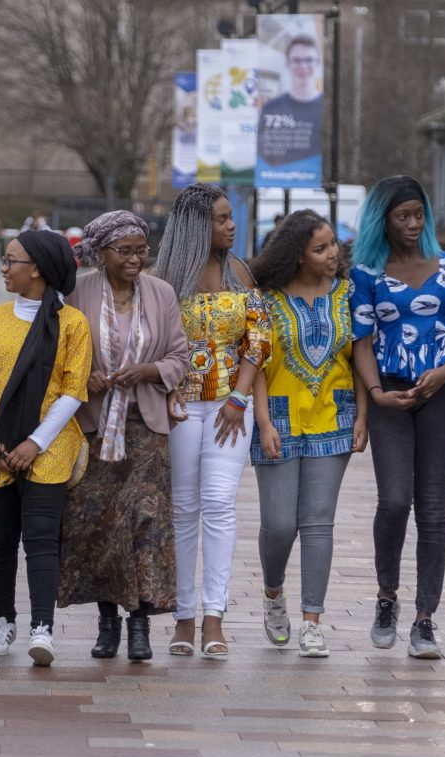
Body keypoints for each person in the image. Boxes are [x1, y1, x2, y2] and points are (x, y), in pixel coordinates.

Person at [349, 176, 445, 659]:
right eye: (402, 216)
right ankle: (387, 596)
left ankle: (426, 619)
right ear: (381, 220)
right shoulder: (365, 272)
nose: (411, 224)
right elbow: (361, 341)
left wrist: (444, 374)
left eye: (418, 214)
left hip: (438, 396)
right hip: (390, 397)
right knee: (394, 499)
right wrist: (378, 394)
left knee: (433, 507)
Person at [58, 210, 190, 662]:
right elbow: (62, 353)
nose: (136, 259)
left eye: (141, 251)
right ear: (101, 252)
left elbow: (180, 356)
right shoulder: (77, 292)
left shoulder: (161, 293)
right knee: (99, 528)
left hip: (147, 428)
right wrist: (85, 378)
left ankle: (140, 626)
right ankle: (107, 620)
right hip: (94, 430)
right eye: (126, 251)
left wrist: (150, 370)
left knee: (144, 525)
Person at [154, 183, 270, 659]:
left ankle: (214, 617)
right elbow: (151, 342)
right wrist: (164, 394)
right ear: (197, 225)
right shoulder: (163, 278)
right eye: (221, 219)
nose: (231, 225)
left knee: (219, 502)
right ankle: (183, 617)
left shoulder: (239, 272)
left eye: (230, 216)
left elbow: (259, 340)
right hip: (178, 406)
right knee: (182, 508)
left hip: (229, 406)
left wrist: (240, 398)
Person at [249, 210, 367, 658]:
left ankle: (312, 621)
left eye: (334, 244)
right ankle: (273, 592)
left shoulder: (349, 294)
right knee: (279, 526)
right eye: (320, 248)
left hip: (334, 419)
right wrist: (262, 422)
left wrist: (363, 415)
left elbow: (361, 357)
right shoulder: (266, 298)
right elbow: (255, 362)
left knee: (319, 523)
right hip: (278, 419)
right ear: (297, 256)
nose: (333, 253)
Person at [0, 231, 90, 666]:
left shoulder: (72, 323)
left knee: (41, 538)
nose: (3, 267)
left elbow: (73, 391)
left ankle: (43, 628)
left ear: (36, 268)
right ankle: (3, 619)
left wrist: (34, 442)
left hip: (49, 445)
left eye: (11, 260)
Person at [257, 35, 324, 173]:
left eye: (309, 60)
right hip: (275, 185)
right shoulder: (271, 108)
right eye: (297, 60)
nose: (303, 66)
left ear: (318, 63)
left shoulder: (326, 110)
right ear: (287, 64)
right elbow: (263, 153)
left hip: (315, 188)